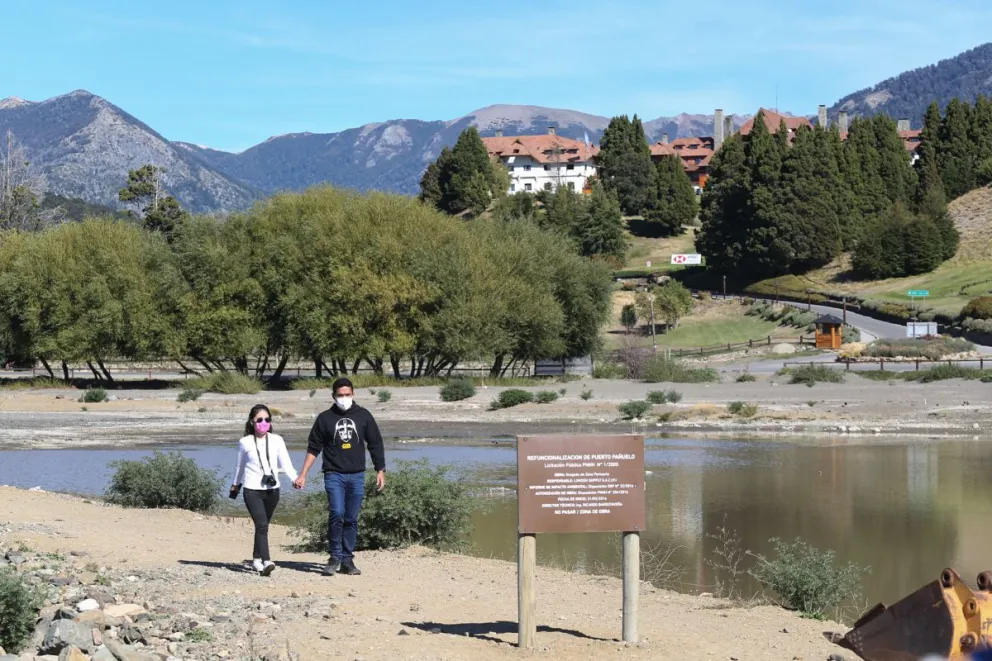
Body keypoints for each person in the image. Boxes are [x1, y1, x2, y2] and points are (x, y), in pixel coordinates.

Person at [293, 377, 385, 576]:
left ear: (353, 394)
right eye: (340, 395)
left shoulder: (364, 416)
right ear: (334, 396)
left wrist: (380, 470)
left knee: (351, 518)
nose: (344, 398)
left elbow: (375, 443)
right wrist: (303, 474)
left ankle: (347, 560)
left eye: (347, 394)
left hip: (357, 475)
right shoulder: (325, 418)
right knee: (336, 513)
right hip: (334, 474)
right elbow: (314, 448)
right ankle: (334, 557)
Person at [231, 404, 298, 576]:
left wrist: (295, 478)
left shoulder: (277, 440)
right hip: (252, 489)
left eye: (267, 419)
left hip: (272, 490)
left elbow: (286, 464)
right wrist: (235, 485)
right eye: (259, 420)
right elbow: (239, 468)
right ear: (252, 422)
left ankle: (256, 560)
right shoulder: (244, 442)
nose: (263, 423)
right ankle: (266, 561)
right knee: (261, 524)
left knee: (263, 526)